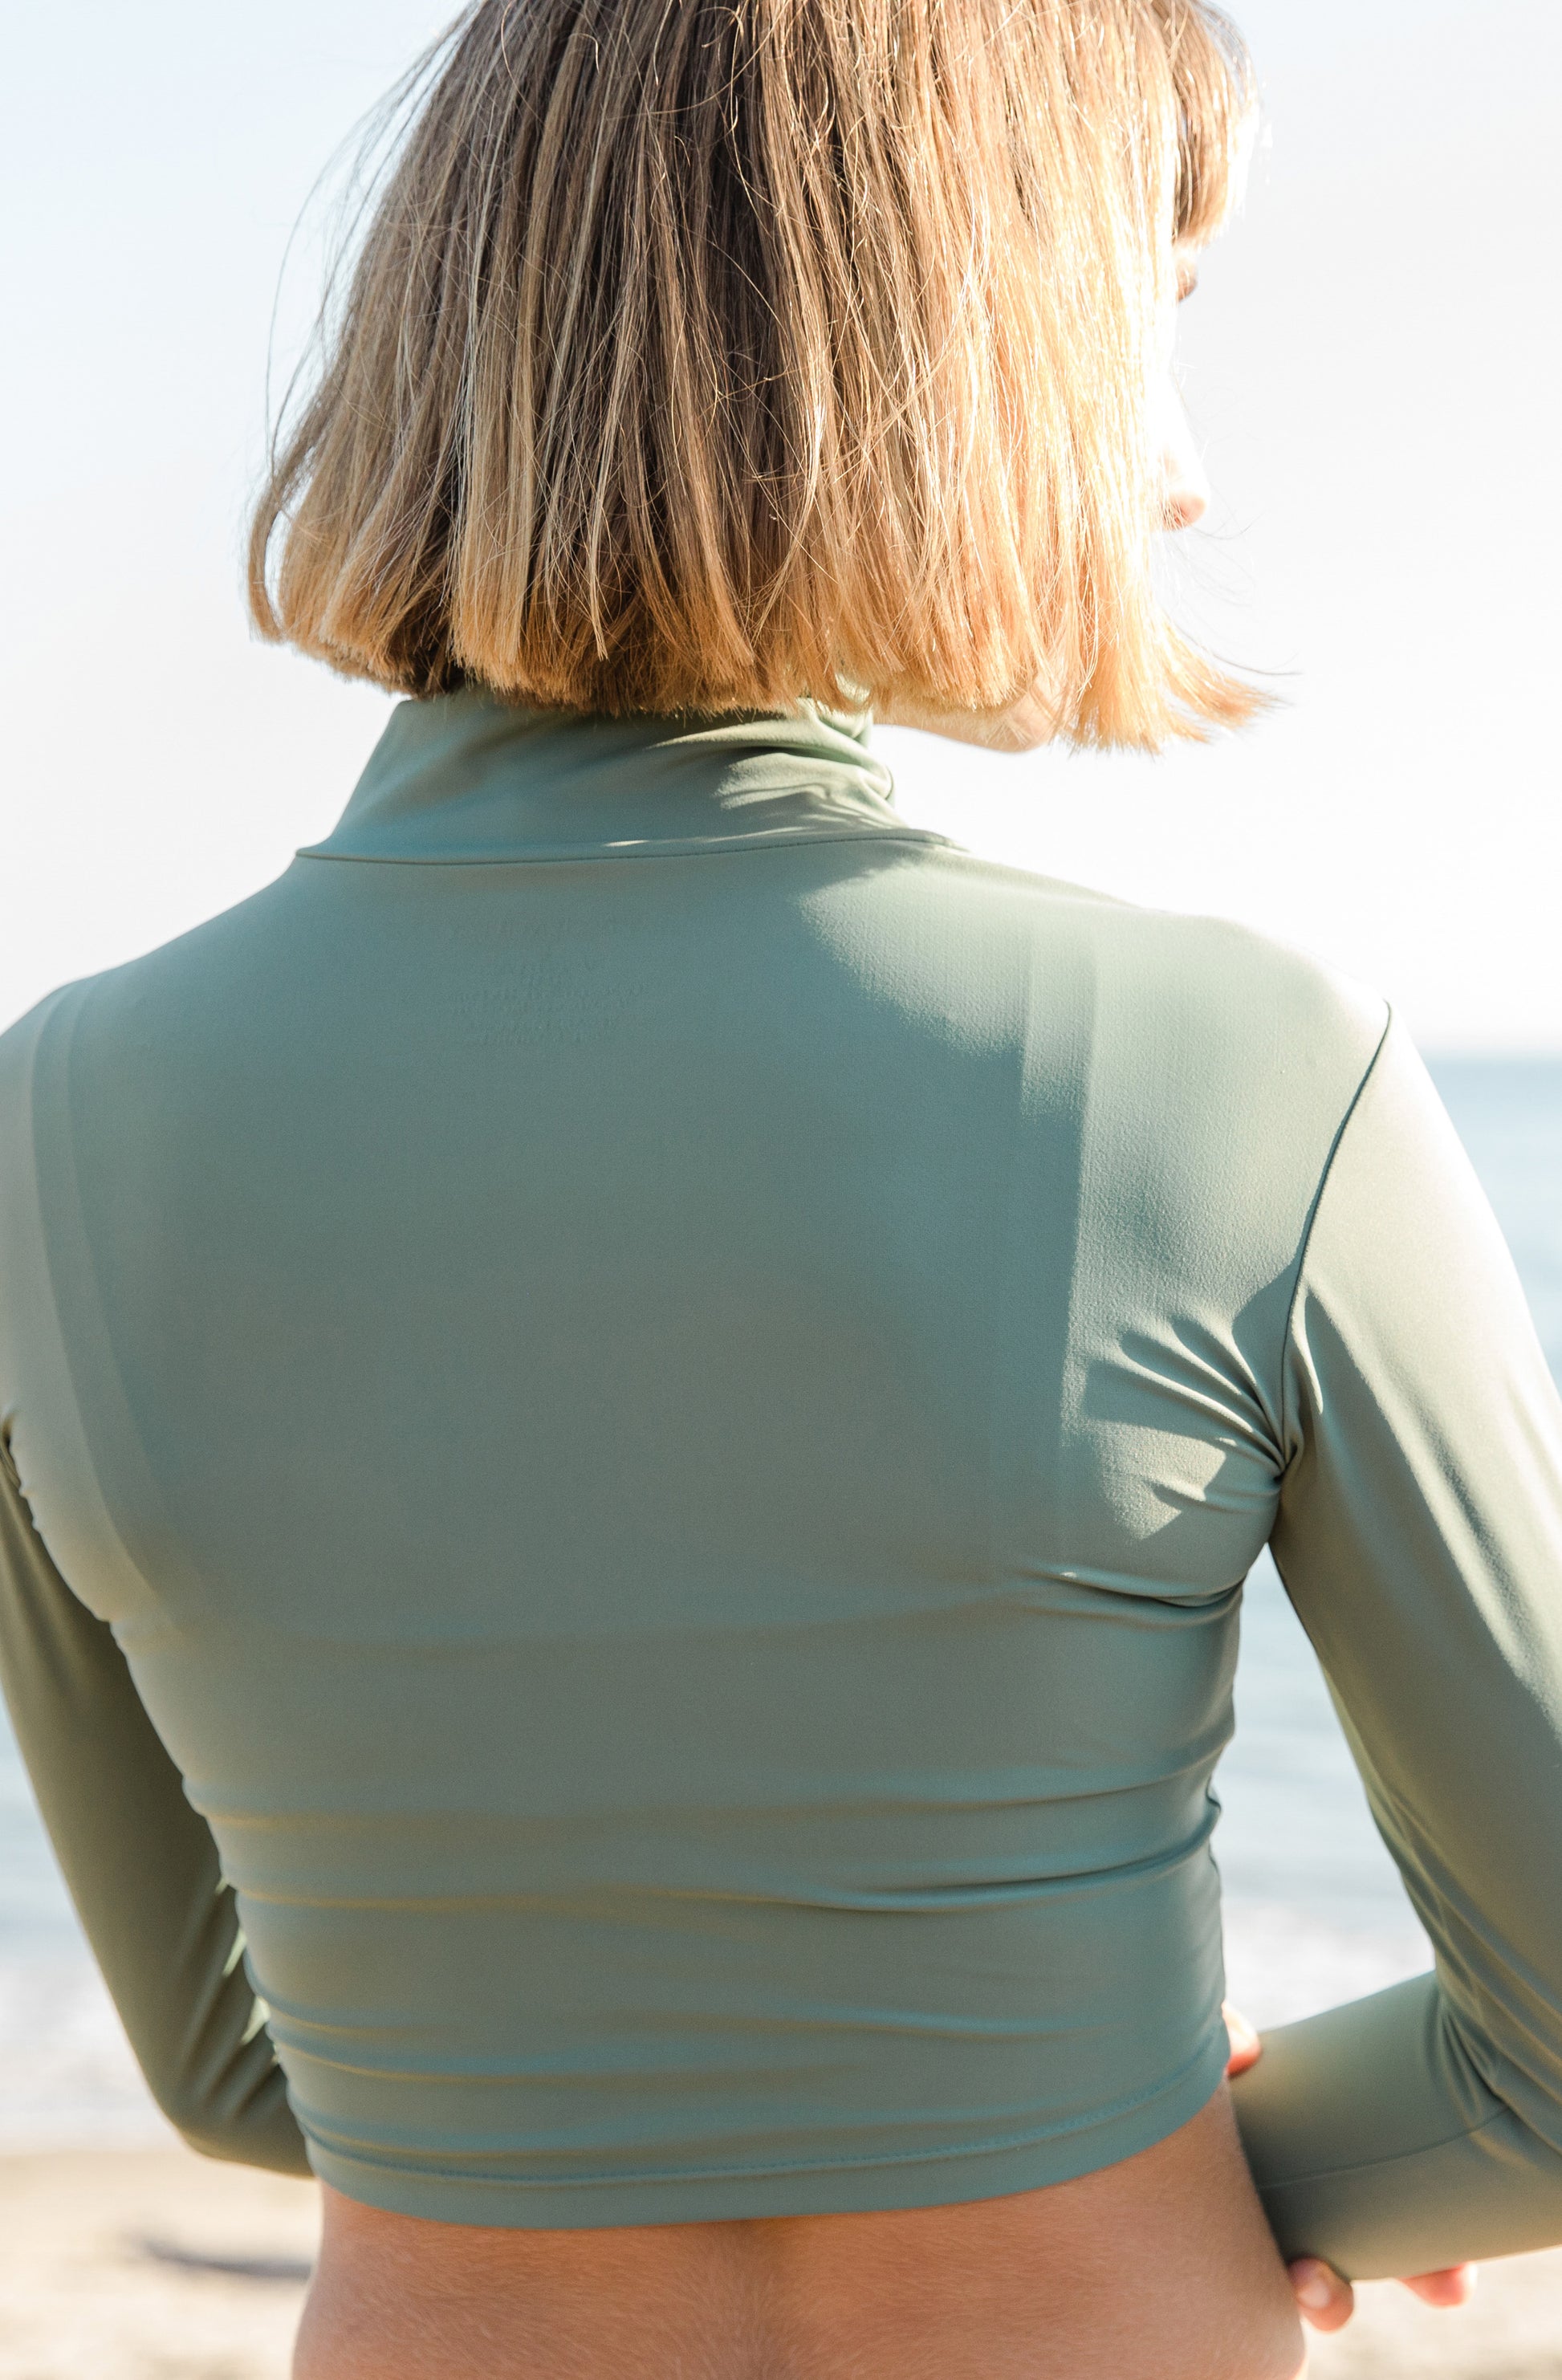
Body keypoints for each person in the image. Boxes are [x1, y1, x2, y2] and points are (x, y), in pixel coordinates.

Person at [4, 2, 1562, 2373]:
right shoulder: (1251, 1072)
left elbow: (241, 2072)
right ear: (968, 352)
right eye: (1152, 332)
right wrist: (1206, 2143)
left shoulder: (50, 1130)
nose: (1176, 473)